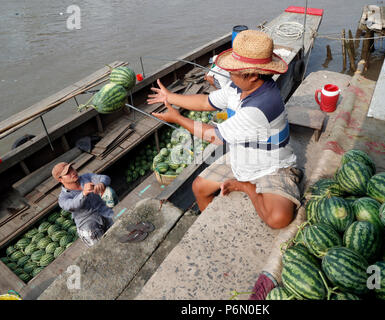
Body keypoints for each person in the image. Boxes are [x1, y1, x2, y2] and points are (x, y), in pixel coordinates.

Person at [147, 30, 302, 229]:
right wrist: (169, 97)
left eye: (234, 71)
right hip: (243, 156)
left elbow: (214, 136)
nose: (229, 74)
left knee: (277, 218)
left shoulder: (260, 107)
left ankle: (247, 186)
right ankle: (211, 227)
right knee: (199, 187)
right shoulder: (240, 88)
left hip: (270, 167)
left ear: (253, 75)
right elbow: (205, 101)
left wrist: (177, 118)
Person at [52, 162, 117, 247]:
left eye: (71, 168)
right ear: (60, 180)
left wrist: (101, 183)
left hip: (105, 217)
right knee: (104, 250)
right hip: (90, 229)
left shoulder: (86, 177)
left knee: (117, 240)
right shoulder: (63, 198)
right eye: (67, 173)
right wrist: (84, 193)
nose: (72, 172)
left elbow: (104, 178)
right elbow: (72, 205)